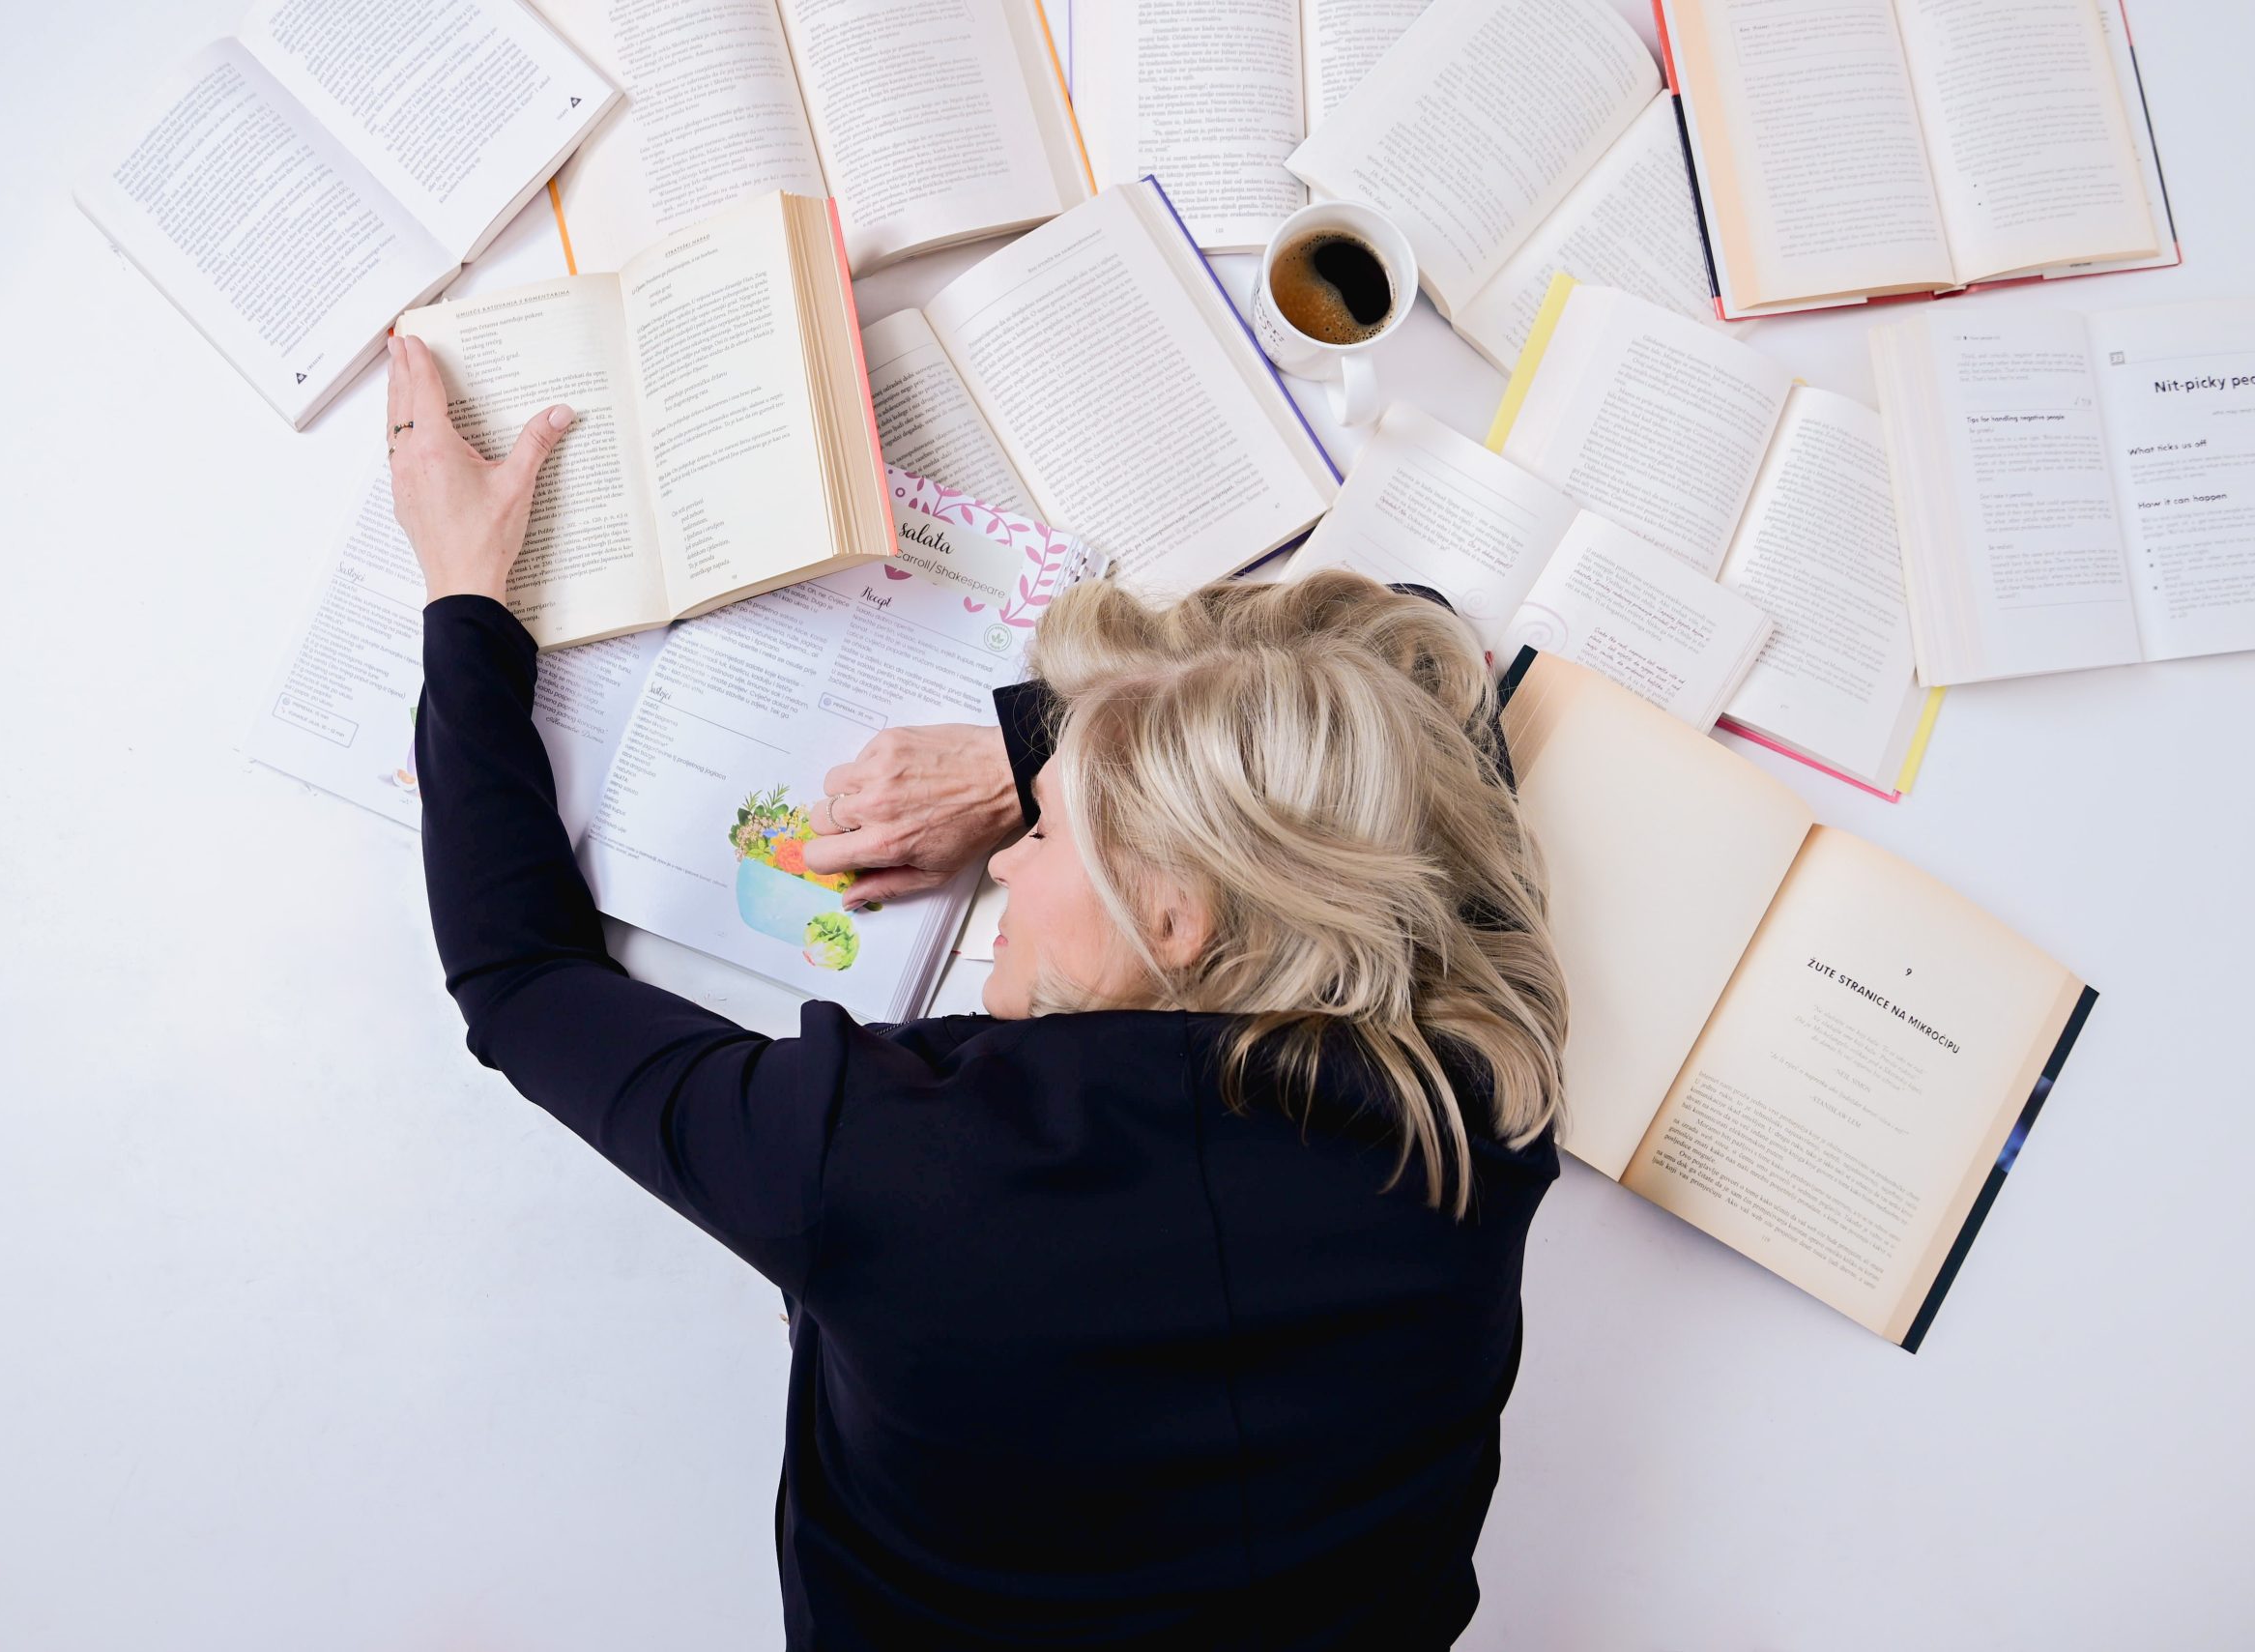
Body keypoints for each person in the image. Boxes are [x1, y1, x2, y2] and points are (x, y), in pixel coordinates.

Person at [387, 334, 1571, 1648]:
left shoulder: (882, 1158)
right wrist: (1047, 763)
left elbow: (518, 976)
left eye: (1045, 831)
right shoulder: (1477, 1111)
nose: (1005, 859)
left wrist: (462, 590)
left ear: (1175, 918)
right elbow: (1412, 653)